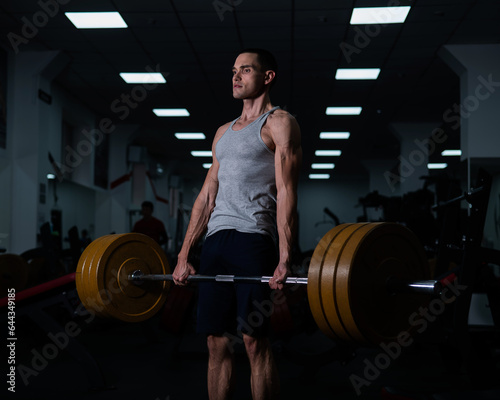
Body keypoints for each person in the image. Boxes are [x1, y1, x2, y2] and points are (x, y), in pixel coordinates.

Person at [172, 48, 302, 400]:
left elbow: (287, 192)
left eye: (246, 70)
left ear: (267, 77)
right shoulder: (222, 133)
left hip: (253, 238)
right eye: (234, 70)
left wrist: (285, 256)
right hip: (215, 241)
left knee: (253, 341)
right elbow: (205, 197)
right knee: (215, 342)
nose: (236, 76)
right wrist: (184, 254)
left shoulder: (279, 122)